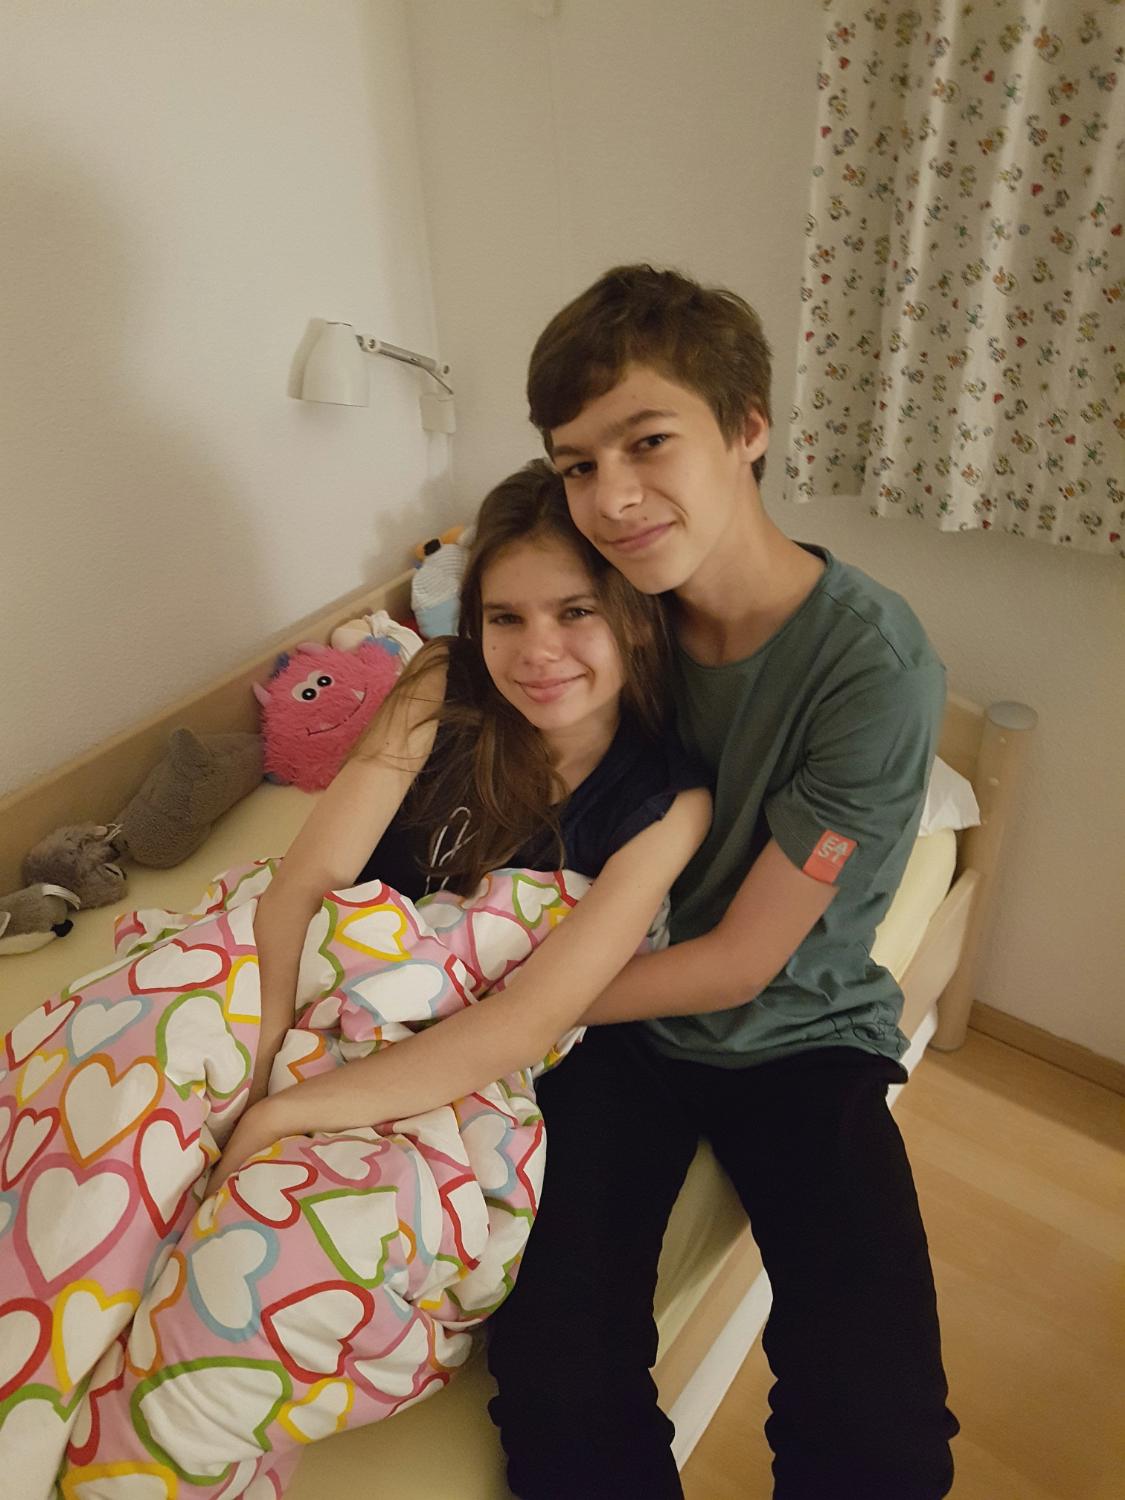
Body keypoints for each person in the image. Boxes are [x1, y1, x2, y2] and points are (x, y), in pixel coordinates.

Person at [0, 461, 710, 1498]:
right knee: (117, 1106)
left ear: (636, 619)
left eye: (576, 612)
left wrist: (286, 1116)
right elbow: (308, 881)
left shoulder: (664, 801)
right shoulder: (441, 683)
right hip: (290, 962)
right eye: (505, 617)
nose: (538, 651)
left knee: (267, 1266)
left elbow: (524, 1022)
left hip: (442, 1052)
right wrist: (256, 1059)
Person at [485, 265, 960, 1500]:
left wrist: (518, 1006)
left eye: (648, 441)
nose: (612, 498)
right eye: (577, 463)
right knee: (552, 1376)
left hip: (798, 1033)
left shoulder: (871, 667)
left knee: (881, 1431)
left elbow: (748, 961)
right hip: (616, 1037)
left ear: (749, 427)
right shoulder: (611, 621)